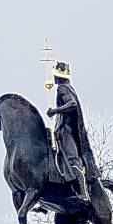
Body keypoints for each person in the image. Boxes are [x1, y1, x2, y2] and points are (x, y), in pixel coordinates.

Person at [46, 60, 100, 206]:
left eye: (55, 75)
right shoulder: (69, 87)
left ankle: (83, 192)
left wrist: (55, 111)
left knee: (72, 159)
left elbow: (72, 104)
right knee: (62, 157)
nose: (54, 78)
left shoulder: (62, 88)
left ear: (59, 76)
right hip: (65, 128)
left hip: (66, 130)